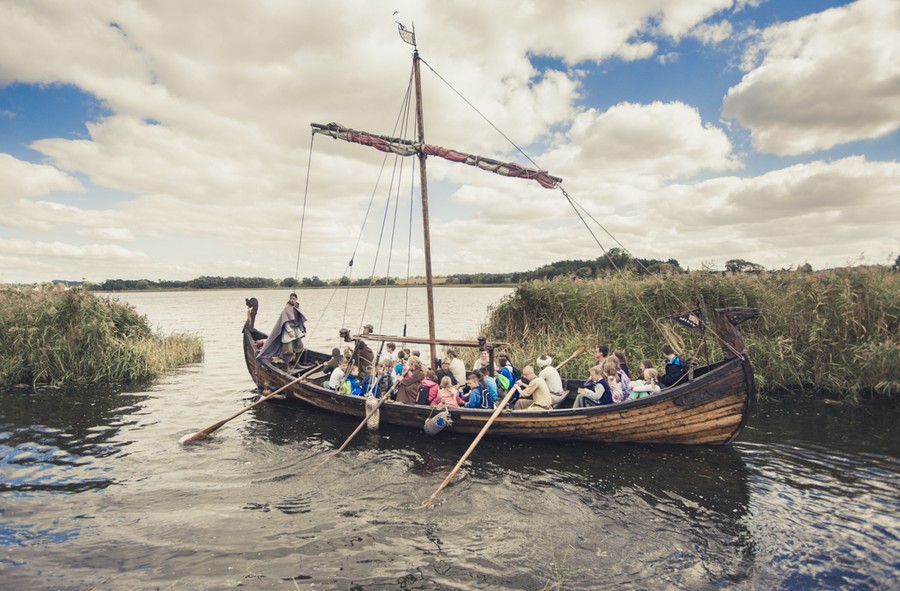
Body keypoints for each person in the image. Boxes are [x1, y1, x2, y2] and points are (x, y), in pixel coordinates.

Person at [257, 293, 308, 365]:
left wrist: (302, 331)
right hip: (288, 331)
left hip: (296, 330)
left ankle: (297, 364)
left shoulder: (297, 307)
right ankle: (286, 366)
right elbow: (285, 321)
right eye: (291, 298)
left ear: (296, 299)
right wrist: (289, 331)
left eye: (293, 299)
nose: (292, 300)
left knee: (300, 347)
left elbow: (299, 321)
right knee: (288, 350)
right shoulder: (287, 308)